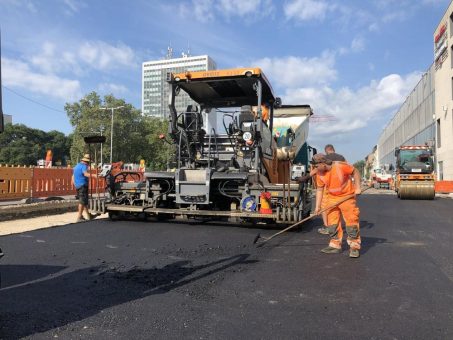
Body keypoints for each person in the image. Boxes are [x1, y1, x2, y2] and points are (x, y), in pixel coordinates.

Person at [312, 153, 362, 258]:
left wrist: (357, 187)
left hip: (347, 196)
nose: (315, 169)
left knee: (351, 220)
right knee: (332, 222)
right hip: (332, 198)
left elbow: (355, 171)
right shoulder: (319, 174)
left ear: (323, 163)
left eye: (316, 166)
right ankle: (335, 245)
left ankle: (354, 246)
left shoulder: (340, 166)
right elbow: (320, 190)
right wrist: (317, 207)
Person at [316, 144, 347, 235]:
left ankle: (328, 227)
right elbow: (348, 168)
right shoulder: (341, 157)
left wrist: (307, 176)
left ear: (326, 150)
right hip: (342, 186)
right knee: (341, 207)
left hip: (328, 186)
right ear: (333, 149)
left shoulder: (325, 158)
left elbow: (318, 169)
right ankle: (338, 225)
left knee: (325, 206)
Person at [72, 153, 96, 222]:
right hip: (83, 185)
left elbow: (73, 177)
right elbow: (85, 174)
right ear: (87, 162)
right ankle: (79, 217)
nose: (88, 164)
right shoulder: (84, 166)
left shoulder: (76, 166)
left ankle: (89, 215)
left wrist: (75, 185)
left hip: (78, 185)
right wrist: (94, 175)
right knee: (82, 202)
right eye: (88, 163)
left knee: (84, 202)